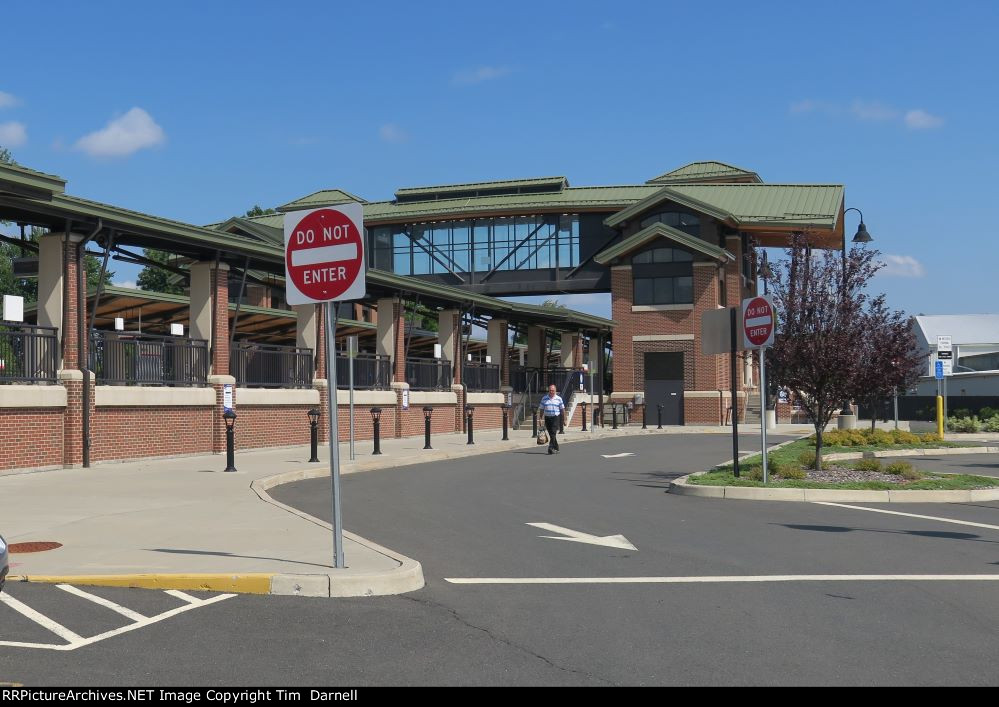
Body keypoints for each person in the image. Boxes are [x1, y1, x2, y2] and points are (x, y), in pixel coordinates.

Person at [538, 384, 565, 455]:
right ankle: (556, 447)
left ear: (555, 391)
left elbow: (562, 410)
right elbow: (541, 409)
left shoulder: (559, 399)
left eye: (553, 390)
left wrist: (564, 419)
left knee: (553, 432)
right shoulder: (544, 398)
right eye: (550, 390)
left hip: (555, 417)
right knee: (551, 434)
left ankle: (550, 448)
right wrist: (540, 418)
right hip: (547, 417)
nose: (551, 392)